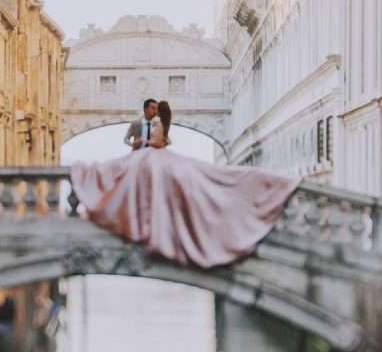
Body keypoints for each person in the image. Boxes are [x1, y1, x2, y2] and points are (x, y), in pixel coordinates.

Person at [71, 96, 299, 270]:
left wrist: (146, 142)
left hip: (151, 156)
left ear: (155, 110)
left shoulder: (157, 123)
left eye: (152, 108)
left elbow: (159, 142)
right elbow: (159, 140)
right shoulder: (150, 122)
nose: (150, 111)